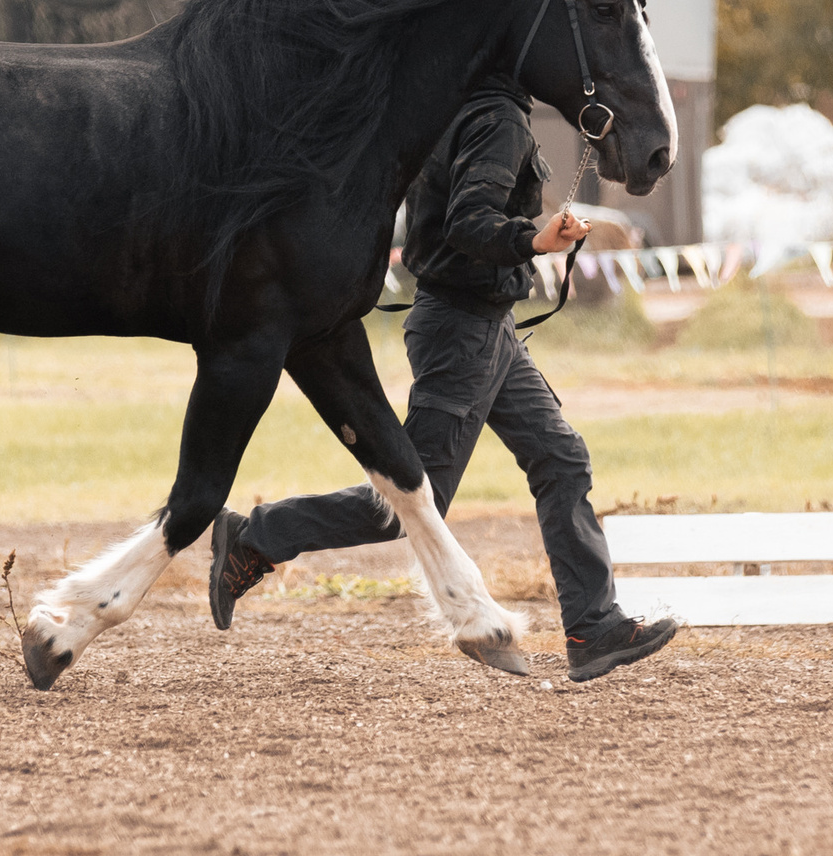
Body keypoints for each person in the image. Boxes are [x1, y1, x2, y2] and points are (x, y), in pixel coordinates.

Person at [206, 73, 678, 681]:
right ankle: (255, 538)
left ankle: (594, 626)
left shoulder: (450, 105)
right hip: (464, 331)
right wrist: (534, 238)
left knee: (561, 458)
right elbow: (467, 223)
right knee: (411, 499)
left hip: (486, 327)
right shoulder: (498, 121)